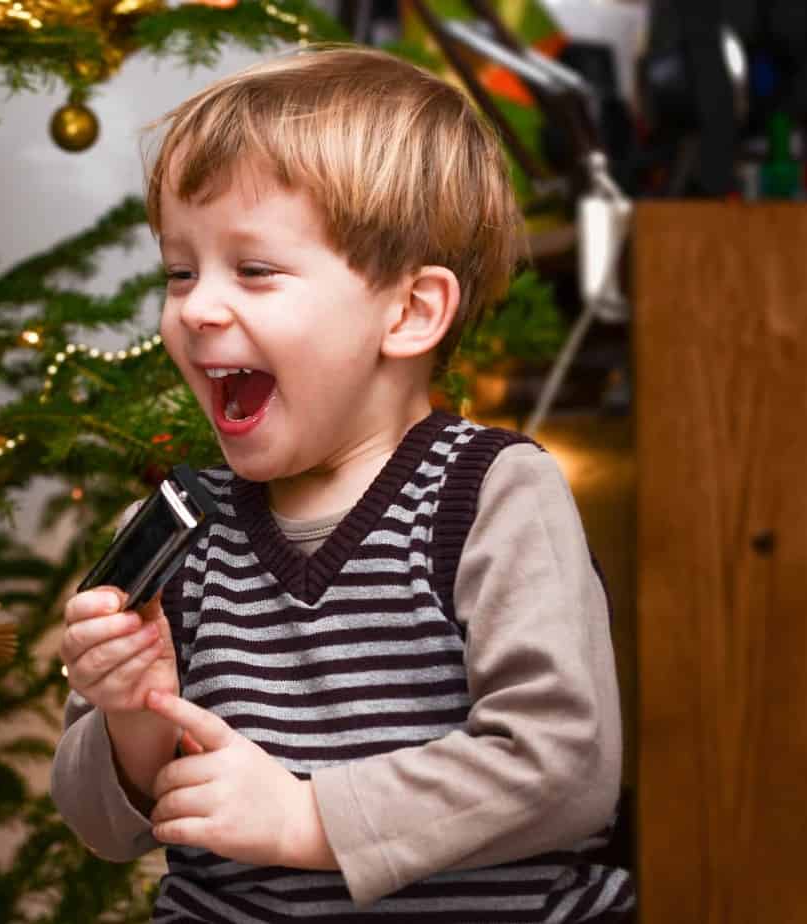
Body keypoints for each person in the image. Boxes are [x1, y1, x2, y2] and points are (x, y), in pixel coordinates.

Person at [50, 46, 634, 922]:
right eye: (180, 270)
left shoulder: (491, 498)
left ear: (408, 313)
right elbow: (103, 828)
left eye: (254, 269)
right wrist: (135, 722)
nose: (197, 307)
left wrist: (309, 818)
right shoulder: (179, 531)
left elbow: (564, 763)